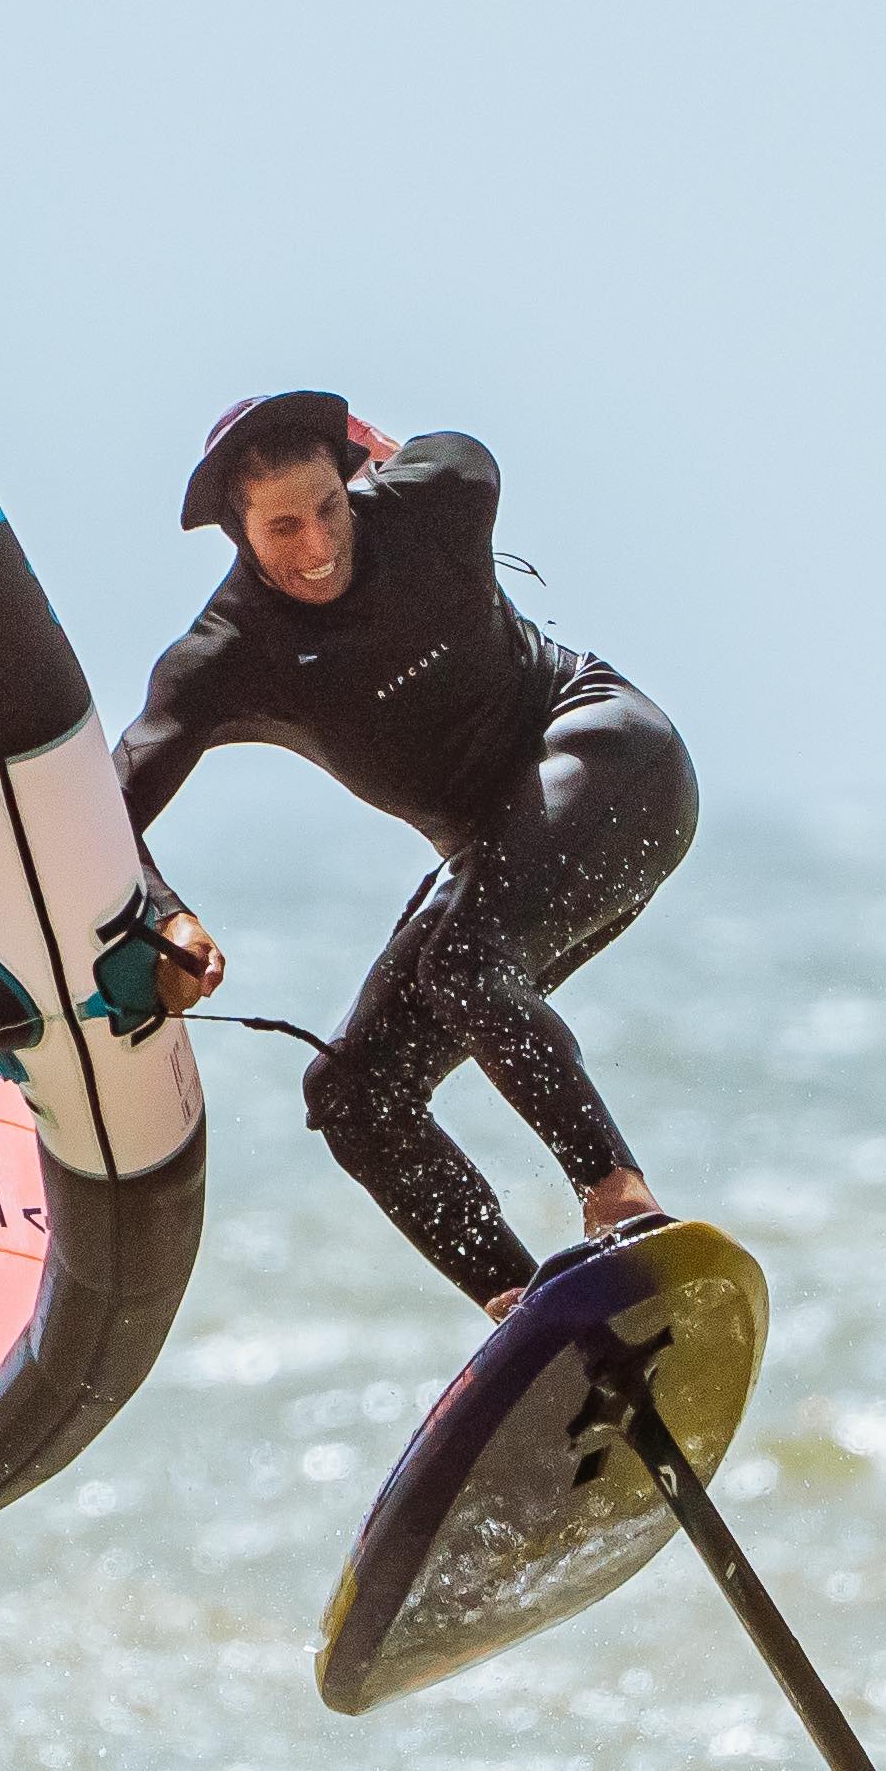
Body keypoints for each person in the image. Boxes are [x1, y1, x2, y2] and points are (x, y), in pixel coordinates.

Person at [114, 391, 697, 1317]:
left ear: (353, 480)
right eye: (282, 526)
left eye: (330, 507)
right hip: (493, 854)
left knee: (463, 963)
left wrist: (382, 455)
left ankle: (622, 1204)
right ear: (237, 531)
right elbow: (107, 812)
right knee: (352, 1091)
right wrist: (164, 912)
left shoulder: (441, 494)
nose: (318, 547)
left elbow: (448, 449)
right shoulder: (224, 657)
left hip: (614, 764)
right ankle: (533, 1322)